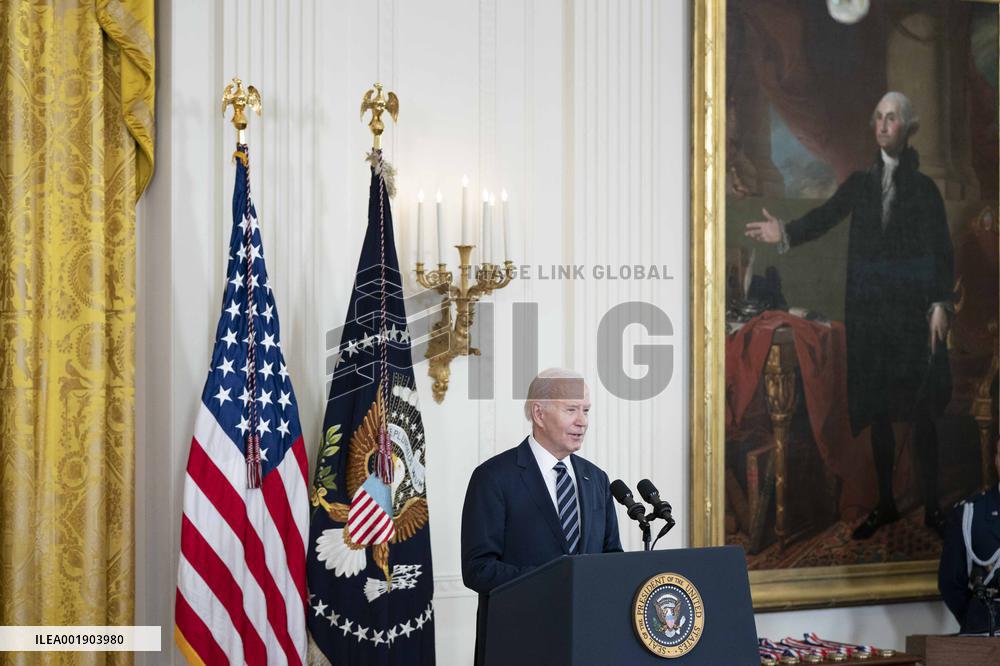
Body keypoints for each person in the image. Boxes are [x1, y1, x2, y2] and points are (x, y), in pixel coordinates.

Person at [745, 91, 954, 540]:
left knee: (921, 414)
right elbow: (825, 216)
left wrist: (939, 304)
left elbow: (941, 249)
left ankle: (935, 507)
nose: (882, 125)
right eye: (877, 117)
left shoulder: (925, 190)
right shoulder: (861, 183)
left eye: (892, 118)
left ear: (908, 127)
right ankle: (885, 503)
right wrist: (783, 231)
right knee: (878, 412)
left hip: (912, 318)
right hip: (871, 317)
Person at [461, 368, 623, 663]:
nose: (583, 421)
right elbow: (478, 568)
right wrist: (556, 581)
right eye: (571, 409)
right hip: (521, 642)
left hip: (589, 643)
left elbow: (612, 555)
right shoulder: (494, 477)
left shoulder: (596, 479)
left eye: (586, 410)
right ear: (539, 413)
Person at [938, 440, 1000, 634]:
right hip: (987, 630)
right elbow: (950, 582)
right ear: (996, 460)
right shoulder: (970, 513)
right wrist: (975, 617)